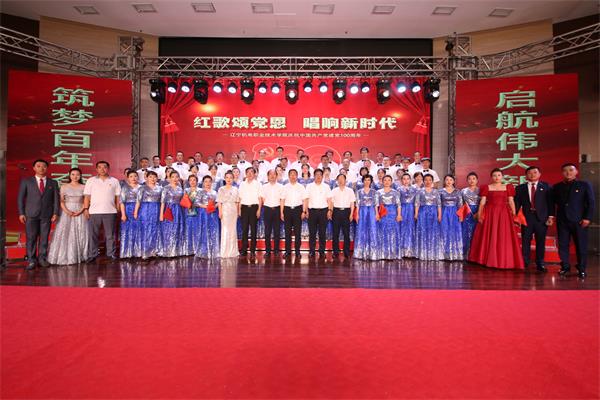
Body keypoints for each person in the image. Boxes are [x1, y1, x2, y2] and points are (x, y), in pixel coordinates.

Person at [468, 168, 524, 269]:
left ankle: (504, 260)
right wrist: (480, 214)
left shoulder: (508, 187)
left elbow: (511, 201)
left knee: (503, 236)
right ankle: (486, 259)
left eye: (499, 175)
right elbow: (482, 202)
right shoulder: (487, 187)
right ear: (491, 177)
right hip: (490, 213)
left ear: (502, 176)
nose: (497, 177)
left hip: (504, 214)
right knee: (489, 235)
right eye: (494, 175)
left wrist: (514, 214)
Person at [553, 163, 595, 278]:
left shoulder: (584, 185)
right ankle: (565, 267)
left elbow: (591, 202)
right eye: (565, 171)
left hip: (579, 220)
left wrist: (587, 218)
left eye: (571, 170)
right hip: (562, 221)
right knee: (563, 245)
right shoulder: (557, 187)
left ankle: (581, 268)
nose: (568, 173)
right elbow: (552, 202)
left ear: (576, 172)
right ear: (562, 173)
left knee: (581, 245)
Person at [17, 159, 60, 270]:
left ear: (47, 168)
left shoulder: (53, 182)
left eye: (44, 166)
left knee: (44, 238)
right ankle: (31, 260)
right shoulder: (26, 181)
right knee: (31, 238)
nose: (41, 168)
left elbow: (56, 199)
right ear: (34, 168)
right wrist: (21, 213)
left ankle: (42, 259)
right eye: (38, 166)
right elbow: (21, 198)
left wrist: (56, 212)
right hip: (30, 214)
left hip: (46, 214)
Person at [47, 168, 91, 265]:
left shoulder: (84, 187)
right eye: (73, 174)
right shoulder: (64, 186)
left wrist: (80, 211)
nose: (75, 176)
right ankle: (63, 256)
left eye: (77, 175)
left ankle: (80, 255)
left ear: (80, 176)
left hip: (80, 211)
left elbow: (86, 201)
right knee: (65, 232)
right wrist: (67, 211)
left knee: (80, 232)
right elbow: (61, 201)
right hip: (66, 211)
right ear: (69, 175)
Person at [514, 166, 554, 272]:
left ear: (539, 174)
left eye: (535, 172)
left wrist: (551, 216)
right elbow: (517, 204)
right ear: (526, 175)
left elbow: (550, 203)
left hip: (541, 218)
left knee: (540, 241)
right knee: (525, 241)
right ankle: (525, 261)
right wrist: (515, 218)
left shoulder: (546, 187)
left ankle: (540, 263)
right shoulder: (520, 188)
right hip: (526, 218)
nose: (532, 175)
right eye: (530, 173)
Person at [83, 161, 121, 262]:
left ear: (108, 169)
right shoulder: (91, 180)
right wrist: (86, 209)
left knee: (110, 235)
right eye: (100, 167)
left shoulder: (114, 181)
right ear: (96, 169)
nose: (102, 169)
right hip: (94, 211)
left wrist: (117, 209)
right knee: (93, 234)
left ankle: (111, 254)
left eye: (104, 167)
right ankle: (92, 254)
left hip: (110, 211)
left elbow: (117, 197)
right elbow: (87, 196)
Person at [134, 171, 162, 259]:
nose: (153, 179)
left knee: (155, 230)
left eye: (154, 177)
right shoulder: (142, 188)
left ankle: (154, 251)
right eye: (150, 177)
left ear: (157, 178)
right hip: (145, 209)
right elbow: (138, 201)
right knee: (145, 229)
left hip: (157, 209)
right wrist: (135, 212)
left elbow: (162, 201)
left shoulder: (160, 188)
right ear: (146, 178)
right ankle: (145, 252)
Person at [414, 174, 443, 260]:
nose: (428, 181)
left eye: (430, 180)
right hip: (423, 212)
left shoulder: (436, 192)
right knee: (423, 231)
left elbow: (439, 204)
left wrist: (439, 215)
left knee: (433, 231)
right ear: (423, 181)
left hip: (433, 213)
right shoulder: (420, 191)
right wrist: (416, 214)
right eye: (426, 180)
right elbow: (417, 203)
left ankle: (432, 253)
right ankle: (422, 253)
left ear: (432, 181)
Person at [281, 169, 308, 258]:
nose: (293, 176)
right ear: (289, 176)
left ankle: (297, 251)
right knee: (287, 232)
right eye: (291, 174)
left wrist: (304, 211)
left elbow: (304, 200)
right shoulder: (285, 187)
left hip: (298, 210)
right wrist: (281, 212)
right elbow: (282, 200)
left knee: (297, 232)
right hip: (287, 210)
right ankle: (287, 251)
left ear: (297, 176)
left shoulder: (301, 187)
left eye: (294, 174)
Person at [306, 169, 333, 258]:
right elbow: (306, 199)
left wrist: (330, 210)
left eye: (320, 175)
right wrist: (306, 211)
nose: (318, 176)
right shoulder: (309, 186)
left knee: (322, 233)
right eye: (316, 174)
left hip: (323, 212)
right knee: (312, 233)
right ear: (314, 176)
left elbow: (329, 200)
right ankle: (312, 251)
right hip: (312, 212)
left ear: (322, 176)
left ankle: (322, 251)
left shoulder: (326, 187)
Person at [354, 175, 381, 260]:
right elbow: (357, 204)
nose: (367, 182)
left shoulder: (374, 192)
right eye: (365, 180)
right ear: (363, 181)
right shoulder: (359, 192)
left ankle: (373, 253)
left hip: (372, 211)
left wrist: (377, 214)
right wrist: (357, 214)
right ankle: (360, 253)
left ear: (371, 181)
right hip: (362, 211)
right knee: (362, 229)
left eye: (369, 180)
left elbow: (376, 204)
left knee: (372, 229)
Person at [159, 171, 185, 258]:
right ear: (169, 178)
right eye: (173, 177)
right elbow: (162, 202)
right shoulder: (165, 188)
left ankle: (176, 251)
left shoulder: (180, 189)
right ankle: (168, 251)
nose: (175, 179)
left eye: (177, 177)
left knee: (177, 229)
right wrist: (161, 214)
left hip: (178, 210)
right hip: (169, 209)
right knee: (168, 229)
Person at [330, 174, 356, 258]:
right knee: (335, 233)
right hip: (336, 212)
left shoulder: (350, 190)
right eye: (339, 179)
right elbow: (331, 203)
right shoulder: (334, 191)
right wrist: (330, 212)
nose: (341, 180)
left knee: (346, 233)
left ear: (345, 180)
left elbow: (352, 203)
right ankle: (335, 252)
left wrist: (351, 214)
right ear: (337, 181)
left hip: (346, 212)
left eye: (342, 179)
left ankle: (346, 252)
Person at [238, 167, 261, 257]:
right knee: (244, 230)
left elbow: (260, 198)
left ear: (255, 174)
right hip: (244, 208)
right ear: (246, 174)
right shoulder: (242, 184)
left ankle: (252, 250)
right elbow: (240, 198)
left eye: (252, 172)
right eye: (248, 172)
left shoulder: (258, 184)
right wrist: (239, 209)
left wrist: (259, 210)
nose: (250, 174)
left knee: (254, 230)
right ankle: (244, 249)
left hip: (254, 208)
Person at [439, 175, 464, 261]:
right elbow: (439, 204)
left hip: (454, 213)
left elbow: (460, 204)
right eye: (447, 180)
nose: (449, 181)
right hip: (444, 212)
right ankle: (443, 254)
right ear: (444, 181)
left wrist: (461, 215)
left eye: (450, 180)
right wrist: (439, 215)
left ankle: (455, 254)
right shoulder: (440, 191)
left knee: (454, 231)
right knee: (444, 231)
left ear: (453, 181)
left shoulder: (458, 191)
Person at [260, 170, 284, 256]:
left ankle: (276, 250)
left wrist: (281, 212)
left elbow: (282, 199)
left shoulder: (281, 186)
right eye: (270, 174)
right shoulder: (264, 186)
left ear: (277, 176)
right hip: (267, 209)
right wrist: (268, 205)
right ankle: (268, 250)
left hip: (277, 209)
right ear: (268, 176)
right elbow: (262, 199)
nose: (272, 176)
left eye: (274, 174)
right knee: (267, 231)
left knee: (277, 231)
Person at [377, 175, 401, 260]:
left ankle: (393, 253)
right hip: (383, 213)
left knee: (393, 232)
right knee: (382, 231)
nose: (387, 182)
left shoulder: (395, 192)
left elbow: (398, 205)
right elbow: (376, 205)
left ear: (391, 182)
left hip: (393, 213)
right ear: (382, 181)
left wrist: (399, 215)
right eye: (385, 180)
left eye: (389, 180)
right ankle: (383, 253)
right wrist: (377, 214)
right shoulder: (378, 192)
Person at [217, 171, 240, 258]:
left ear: (233, 179)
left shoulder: (235, 189)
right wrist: (220, 212)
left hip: (233, 211)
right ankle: (224, 252)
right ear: (224, 178)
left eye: (230, 177)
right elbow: (219, 202)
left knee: (233, 230)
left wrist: (237, 212)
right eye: (227, 177)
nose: (229, 179)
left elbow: (237, 202)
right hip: (225, 210)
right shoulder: (221, 189)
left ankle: (233, 251)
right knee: (225, 230)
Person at [196, 175, 220, 260]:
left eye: (209, 181)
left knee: (213, 230)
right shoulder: (200, 192)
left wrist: (214, 206)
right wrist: (206, 207)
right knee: (204, 230)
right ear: (203, 183)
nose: (208, 183)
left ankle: (214, 250)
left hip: (213, 213)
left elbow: (218, 201)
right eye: (206, 181)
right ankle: (204, 250)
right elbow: (197, 202)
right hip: (204, 213)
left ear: (212, 183)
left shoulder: (215, 192)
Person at [118, 169, 141, 259]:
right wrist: (123, 214)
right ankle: (127, 252)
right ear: (127, 178)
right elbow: (122, 202)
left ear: (138, 177)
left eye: (135, 176)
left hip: (140, 210)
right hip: (127, 210)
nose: (133, 178)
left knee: (139, 230)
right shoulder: (124, 188)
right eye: (131, 176)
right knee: (127, 230)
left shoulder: (141, 187)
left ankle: (138, 252)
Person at [398, 173, 418, 258]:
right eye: (404, 179)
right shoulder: (398, 189)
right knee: (402, 227)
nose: (406, 181)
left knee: (411, 227)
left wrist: (416, 213)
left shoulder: (415, 189)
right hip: (402, 209)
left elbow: (417, 202)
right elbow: (397, 202)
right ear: (401, 180)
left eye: (407, 179)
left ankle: (411, 250)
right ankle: (402, 250)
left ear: (410, 180)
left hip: (411, 209)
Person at [461, 172, 480, 259]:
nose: (471, 180)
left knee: (476, 233)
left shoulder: (480, 190)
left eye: (473, 179)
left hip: (477, 212)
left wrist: (479, 212)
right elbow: (460, 204)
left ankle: (475, 255)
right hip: (466, 213)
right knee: (465, 232)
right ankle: (465, 254)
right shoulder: (463, 191)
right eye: (469, 179)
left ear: (477, 180)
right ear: (467, 180)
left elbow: (483, 203)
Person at [182, 175, 201, 256]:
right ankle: (189, 249)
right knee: (189, 229)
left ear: (197, 181)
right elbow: (184, 201)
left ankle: (197, 248)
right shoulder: (186, 190)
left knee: (197, 229)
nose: (192, 182)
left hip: (198, 212)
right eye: (191, 180)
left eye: (194, 180)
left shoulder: (200, 190)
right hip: (188, 211)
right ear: (188, 182)